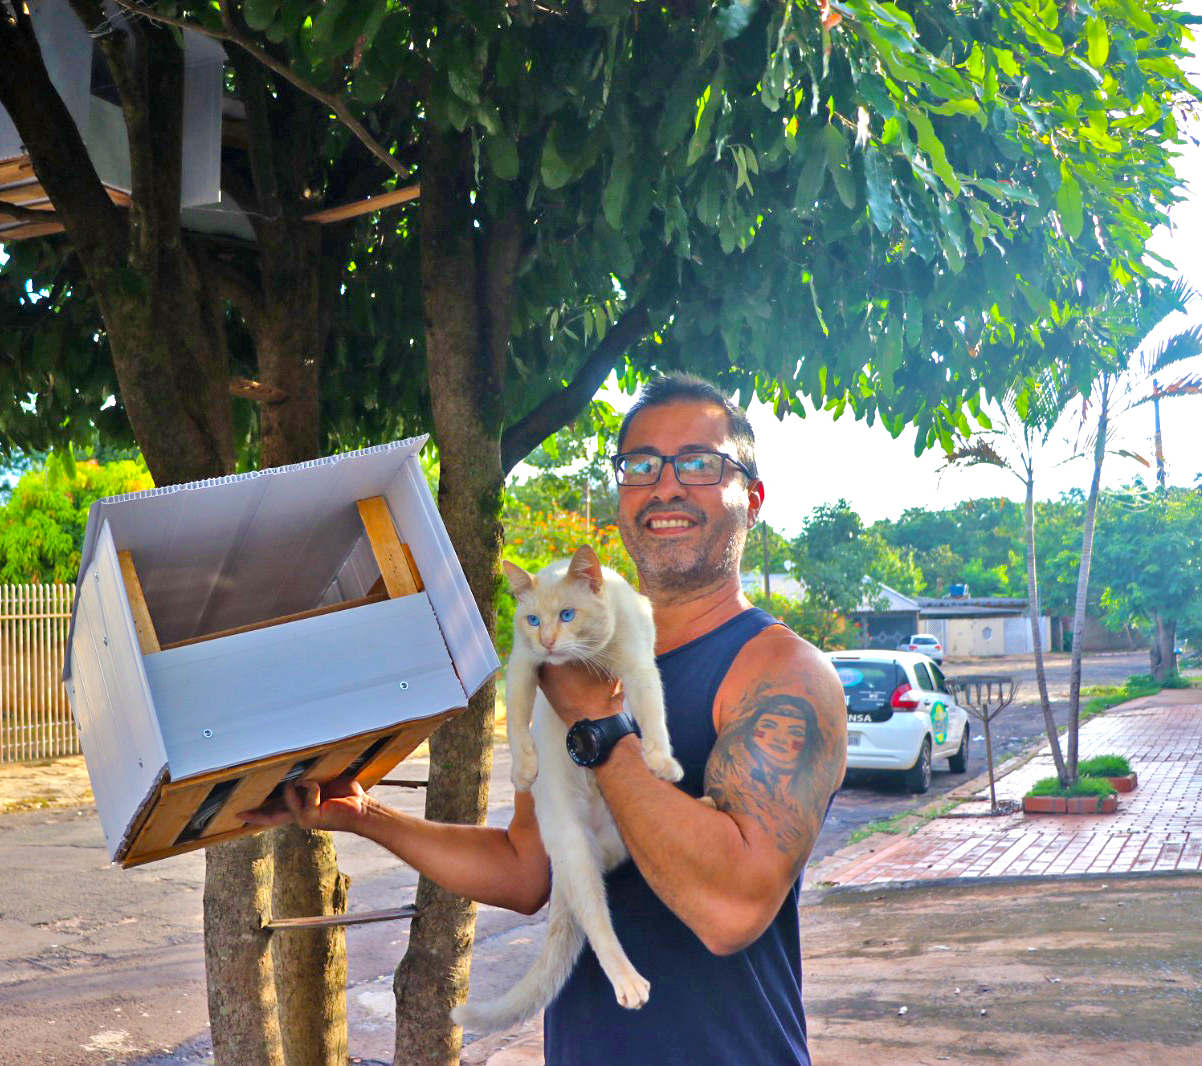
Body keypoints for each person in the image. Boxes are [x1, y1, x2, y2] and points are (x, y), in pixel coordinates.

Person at [242, 373, 847, 1063]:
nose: (667, 486)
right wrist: (362, 817)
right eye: (641, 466)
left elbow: (731, 912)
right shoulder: (576, 670)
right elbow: (526, 869)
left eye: (700, 464)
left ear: (753, 499)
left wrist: (604, 732)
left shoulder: (781, 674)